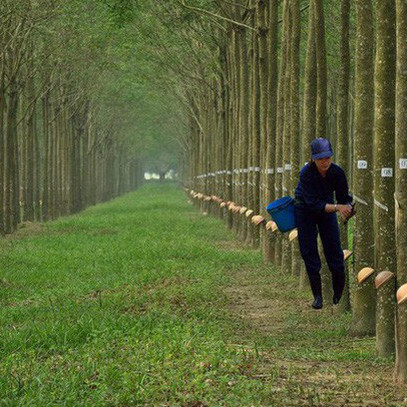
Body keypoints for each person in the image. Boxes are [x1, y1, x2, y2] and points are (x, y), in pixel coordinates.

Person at [294, 137, 353, 309]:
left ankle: (338, 292)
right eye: (320, 159)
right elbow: (313, 204)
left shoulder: (337, 173)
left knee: (334, 248)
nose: (325, 162)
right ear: (313, 158)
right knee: (309, 250)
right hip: (305, 209)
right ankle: (317, 296)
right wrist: (337, 207)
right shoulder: (306, 173)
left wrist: (348, 209)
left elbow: (343, 198)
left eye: (327, 157)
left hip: (327, 209)